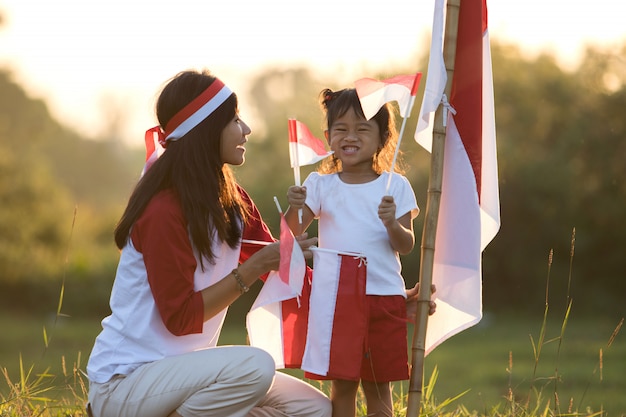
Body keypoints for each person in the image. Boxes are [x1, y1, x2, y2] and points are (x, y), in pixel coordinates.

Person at [85, 69, 332, 417]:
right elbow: (181, 318)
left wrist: (384, 305)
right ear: (205, 130)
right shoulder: (162, 209)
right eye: (234, 119)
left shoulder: (231, 200)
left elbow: (282, 271)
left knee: (316, 409)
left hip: (188, 377)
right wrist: (254, 267)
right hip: (126, 383)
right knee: (255, 367)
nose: (246, 129)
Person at [285, 87, 420, 417]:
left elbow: (406, 244)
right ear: (329, 136)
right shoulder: (319, 184)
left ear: (382, 137)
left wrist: (391, 223)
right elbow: (292, 231)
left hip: (382, 297)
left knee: (378, 384)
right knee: (342, 385)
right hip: (336, 299)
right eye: (341, 129)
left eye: (362, 128)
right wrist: (294, 207)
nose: (351, 136)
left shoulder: (394, 186)